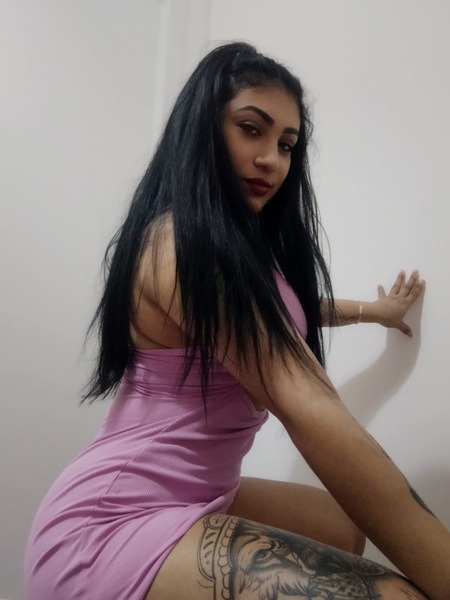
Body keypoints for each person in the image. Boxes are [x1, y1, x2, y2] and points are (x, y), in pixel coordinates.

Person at [23, 42, 449, 600]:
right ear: (203, 128)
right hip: (107, 527)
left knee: (341, 525)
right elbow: (307, 402)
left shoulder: (239, 251)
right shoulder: (180, 245)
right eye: (252, 129)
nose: (272, 159)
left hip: (199, 492)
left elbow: (291, 311)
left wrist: (376, 312)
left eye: (287, 144)